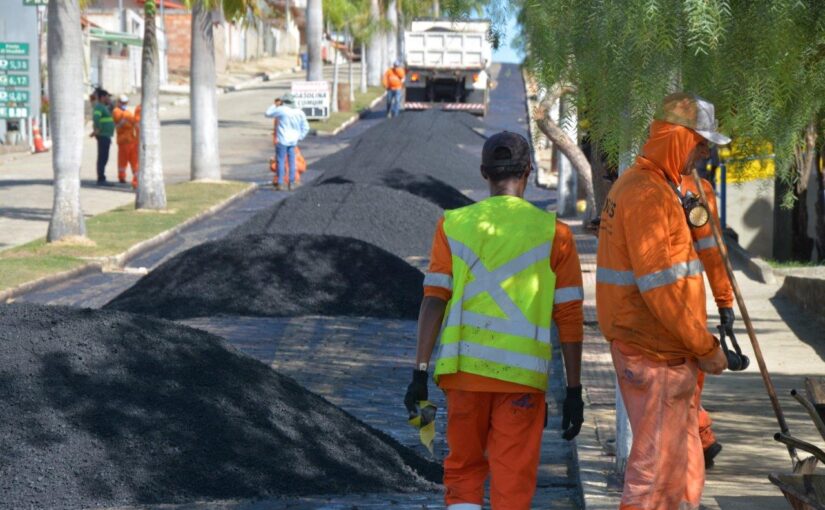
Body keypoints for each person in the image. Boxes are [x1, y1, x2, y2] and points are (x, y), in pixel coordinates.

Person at [404, 131, 585, 510]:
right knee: (512, 478)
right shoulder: (557, 234)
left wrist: (420, 372)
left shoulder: (452, 225)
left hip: (464, 376)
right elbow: (568, 317)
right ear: (529, 172)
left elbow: (433, 300)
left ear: (484, 172)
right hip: (522, 382)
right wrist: (572, 390)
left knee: (464, 471)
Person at [596, 92, 730, 510]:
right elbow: (661, 292)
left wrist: (718, 309)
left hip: (667, 351)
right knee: (654, 474)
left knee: (677, 466)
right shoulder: (648, 195)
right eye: (701, 142)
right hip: (655, 353)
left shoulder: (662, 188)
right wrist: (705, 346)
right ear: (678, 138)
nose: (704, 151)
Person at [681, 172, 735, 469]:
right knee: (685, 382)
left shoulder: (697, 189)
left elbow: (711, 250)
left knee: (687, 380)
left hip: (682, 303)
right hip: (682, 301)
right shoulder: (695, 188)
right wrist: (724, 300)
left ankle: (700, 439)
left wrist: (724, 299)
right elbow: (712, 250)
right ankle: (701, 438)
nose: (703, 151)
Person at [264, 92, 310, 191]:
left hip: (282, 141)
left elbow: (267, 113)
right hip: (293, 141)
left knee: (280, 161)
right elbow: (306, 127)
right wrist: (300, 136)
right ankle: (292, 182)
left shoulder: (281, 110)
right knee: (292, 161)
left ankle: (280, 183)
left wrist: (275, 105)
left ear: (283, 101)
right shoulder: (299, 112)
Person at [112, 95, 140, 189]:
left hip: (132, 141)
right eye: (122, 102)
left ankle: (136, 180)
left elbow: (133, 123)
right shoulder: (116, 111)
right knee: (122, 161)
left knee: (135, 161)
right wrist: (126, 122)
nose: (124, 104)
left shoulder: (127, 112)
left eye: (125, 102)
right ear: (118, 102)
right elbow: (122, 124)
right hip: (123, 141)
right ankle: (122, 177)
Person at [91, 89, 115, 185]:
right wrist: (98, 129)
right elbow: (96, 118)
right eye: (107, 97)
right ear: (102, 97)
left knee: (105, 157)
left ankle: (102, 177)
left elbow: (112, 109)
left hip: (106, 135)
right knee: (102, 157)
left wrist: (110, 103)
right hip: (103, 135)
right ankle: (101, 179)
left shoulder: (104, 107)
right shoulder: (99, 107)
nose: (108, 98)